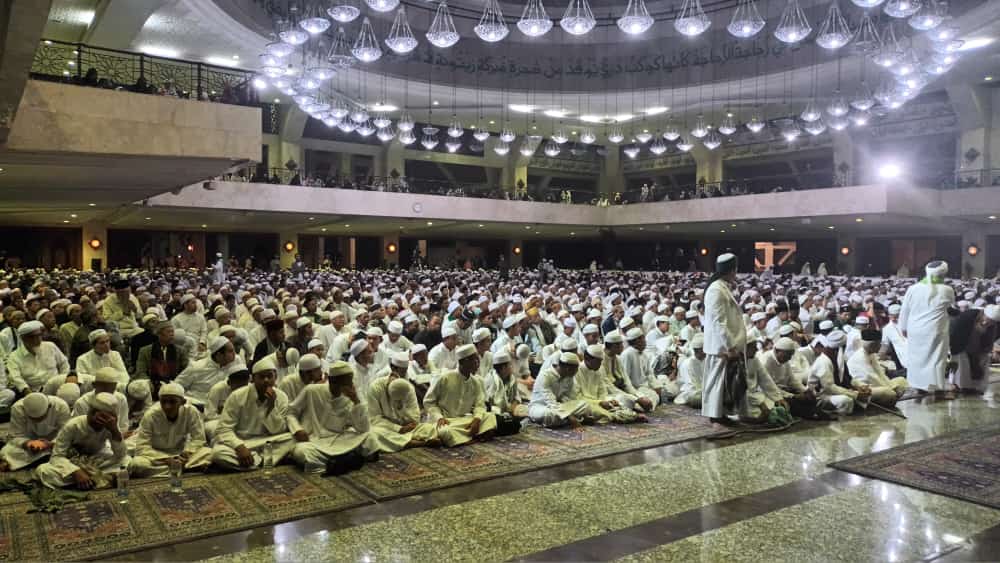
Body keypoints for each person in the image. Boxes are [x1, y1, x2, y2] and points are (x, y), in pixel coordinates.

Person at [287, 362, 376, 474]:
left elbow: (363, 429)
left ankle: (335, 463)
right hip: (315, 440)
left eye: (350, 381)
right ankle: (344, 461)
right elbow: (290, 412)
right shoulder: (312, 390)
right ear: (332, 381)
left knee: (371, 439)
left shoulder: (352, 395)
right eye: (346, 382)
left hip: (340, 438)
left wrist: (356, 401)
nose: (350, 385)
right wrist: (297, 429)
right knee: (301, 452)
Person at [210, 356, 295, 471]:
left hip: (267, 442)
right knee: (217, 453)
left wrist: (271, 407)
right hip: (242, 441)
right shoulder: (237, 396)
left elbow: (279, 430)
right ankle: (264, 461)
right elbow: (223, 429)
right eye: (261, 377)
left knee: (292, 438)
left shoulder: (281, 397)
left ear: (275, 377)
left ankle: (251, 462)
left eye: (269, 376)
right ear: (253, 379)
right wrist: (239, 447)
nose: (266, 380)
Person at [36, 392, 129, 490]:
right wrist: (75, 471)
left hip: (95, 461)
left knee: (126, 461)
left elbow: (121, 455)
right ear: (91, 413)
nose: (100, 424)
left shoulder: (110, 425)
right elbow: (57, 456)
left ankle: (90, 479)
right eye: (99, 418)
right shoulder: (73, 425)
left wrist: (115, 431)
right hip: (71, 461)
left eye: (106, 418)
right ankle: (99, 479)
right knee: (42, 471)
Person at [129, 383, 212, 477]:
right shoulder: (151, 415)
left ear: (183, 402)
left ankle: (176, 469)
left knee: (210, 453)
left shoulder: (191, 412)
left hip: (181, 455)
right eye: (163, 402)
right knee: (137, 464)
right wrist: (166, 459)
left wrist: (188, 452)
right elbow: (142, 447)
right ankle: (187, 469)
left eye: (172, 402)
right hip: (157, 456)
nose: (167, 406)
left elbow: (199, 439)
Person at [423, 344, 497, 447]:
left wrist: (477, 419)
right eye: (474, 361)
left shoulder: (476, 381)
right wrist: (439, 417)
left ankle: (463, 438)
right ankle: (474, 436)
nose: (477, 364)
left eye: (477, 360)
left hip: (465, 420)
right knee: (445, 431)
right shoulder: (445, 378)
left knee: (490, 416)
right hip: (446, 421)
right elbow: (428, 402)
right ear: (463, 362)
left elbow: (480, 405)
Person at [702, 254, 747, 423]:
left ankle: (721, 412)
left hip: (725, 344)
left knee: (723, 381)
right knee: (717, 381)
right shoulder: (716, 289)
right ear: (732, 270)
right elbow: (718, 322)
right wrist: (730, 346)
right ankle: (715, 415)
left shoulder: (722, 287)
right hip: (721, 345)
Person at [898, 261, 955, 393]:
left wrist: (904, 328)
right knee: (936, 359)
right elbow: (952, 308)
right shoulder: (947, 290)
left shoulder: (913, 288)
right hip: (936, 329)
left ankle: (918, 386)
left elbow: (905, 310)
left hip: (915, 329)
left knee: (917, 359)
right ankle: (935, 388)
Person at [0, 393, 71, 472]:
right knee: (7, 450)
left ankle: (12, 462)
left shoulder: (61, 406)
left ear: (49, 407)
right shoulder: (17, 408)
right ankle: (11, 462)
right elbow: (16, 435)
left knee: (62, 452)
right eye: (33, 419)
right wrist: (28, 443)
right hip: (29, 441)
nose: (37, 421)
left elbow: (65, 433)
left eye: (41, 418)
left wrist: (49, 444)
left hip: (53, 442)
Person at [847, 329, 909, 406]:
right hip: (864, 388)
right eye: (879, 344)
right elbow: (873, 378)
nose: (880, 346)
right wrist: (891, 388)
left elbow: (880, 373)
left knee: (901, 380)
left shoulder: (870, 353)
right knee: (889, 392)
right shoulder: (860, 357)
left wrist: (893, 386)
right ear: (873, 344)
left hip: (876, 384)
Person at [8, 320, 70, 395]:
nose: (37, 339)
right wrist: (28, 392)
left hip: (57, 387)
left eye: (39, 335)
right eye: (32, 337)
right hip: (33, 391)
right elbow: (16, 378)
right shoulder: (14, 356)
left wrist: (64, 381)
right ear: (23, 338)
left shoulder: (50, 346)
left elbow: (64, 364)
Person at [175, 336, 243, 405]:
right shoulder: (197, 367)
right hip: (198, 405)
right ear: (219, 355)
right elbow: (176, 386)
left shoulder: (236, 361)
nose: (234, 354)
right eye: (231, 351)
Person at [948, 304, 1000, 394]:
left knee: (984, 359)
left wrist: (985, 351)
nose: (989, 323)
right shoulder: (968, 317)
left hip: (977, 347)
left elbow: (989, 341)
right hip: (961, 345)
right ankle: (961, 386)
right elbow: (956, 334)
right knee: (962, 362)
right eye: (989, 320)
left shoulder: (993, 325)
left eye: (992, 322)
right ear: (984, 314)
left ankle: (976, 387)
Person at [674, 334, 706, 407]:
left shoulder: (706, 361)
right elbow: (690, 386)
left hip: (703, 390)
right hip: (690, 392)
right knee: (697, 398)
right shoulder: (688, 363)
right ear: (700, 350)